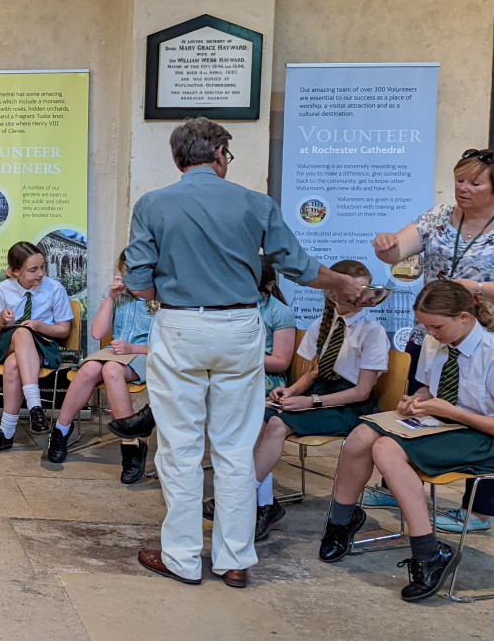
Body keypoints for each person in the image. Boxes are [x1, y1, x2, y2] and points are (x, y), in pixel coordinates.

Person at [122, 118, 366, 589]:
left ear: (178, 159)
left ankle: (182, 558)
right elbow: (297, 267)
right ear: (218, 153)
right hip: (240, 324)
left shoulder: (152, 204)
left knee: (180, 448)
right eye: (226, 156)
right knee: (235, 449)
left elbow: (137, 280)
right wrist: (343, 283)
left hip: (181, 324)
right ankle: (234, 559)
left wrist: (168, 293)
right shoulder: (257, 203)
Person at [318, 280, 494, 601]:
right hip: (444, 424)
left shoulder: (491, 353)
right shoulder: (433, 342)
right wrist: (415, 400)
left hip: (482, 437)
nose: (432, 334)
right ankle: (342, 522)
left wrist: (448, 410)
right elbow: (430, 388)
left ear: (466, 318)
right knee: (361, 435)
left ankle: (428, 553)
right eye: (426, 327)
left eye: (437, 326)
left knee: (386, 448)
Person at [371, 147, 494, 531]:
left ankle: (480, 508)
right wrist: (388, 247)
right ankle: (397, 479)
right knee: (417, 400)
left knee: (482, 412)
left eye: (474, 182)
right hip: (433, 333)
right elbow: (398, 252)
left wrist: (474, 287)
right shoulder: (439, 217)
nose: (463, 188)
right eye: (459, 179)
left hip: (485, 332)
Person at [252, 259, 385, 541]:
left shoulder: (372, 331)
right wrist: (291, 392)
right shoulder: (320, 324)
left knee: (276, 425)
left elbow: (362, 392)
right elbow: (311, 374)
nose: (360, 297)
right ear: (332, 291)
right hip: (320, 394)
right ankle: (262, 505)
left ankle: (240, 496)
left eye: (364, 290)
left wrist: (310, 402)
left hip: (349, 405)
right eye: (353, 290)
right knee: (257, 420)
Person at [49, 254, 156, 483]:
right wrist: (110, 299)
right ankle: (60, 430)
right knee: (87, 370)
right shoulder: (116, 292)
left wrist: (132, 347)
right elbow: (98, 333)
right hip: (115, 351)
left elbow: (167, 345)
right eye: (127, 275)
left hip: (146, 353)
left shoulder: (160, 295)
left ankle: (131, 446)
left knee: (111, 371)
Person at [0, 242, 74, 452]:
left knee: (12, 364)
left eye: (43, 267)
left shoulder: (54, 288)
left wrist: (39, 325)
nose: (40, 274)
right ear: (16, 271)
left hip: (42, 344)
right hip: (7, 342)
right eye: (33, 269)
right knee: (20, 332)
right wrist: (2, 317)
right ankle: (35, 407)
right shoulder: (4, 288)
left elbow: (64, 330)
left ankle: (6, 432)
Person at [257, 264, 298, 392]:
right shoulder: (236, 305)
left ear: (270, 284)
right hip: (237, 367)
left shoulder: (280, 311)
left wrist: (240, 359)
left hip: (266, 374)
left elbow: (281, 363)